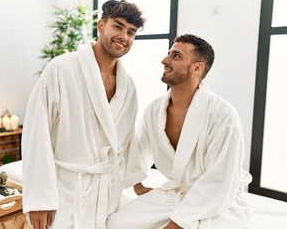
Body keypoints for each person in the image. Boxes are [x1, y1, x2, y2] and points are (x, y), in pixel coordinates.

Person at [22, 0, 147, 229]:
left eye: (131, 32)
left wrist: (137, 182)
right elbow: (36, 133)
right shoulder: (61, 68)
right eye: (117, 26)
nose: (124, 36)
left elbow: (127, 139)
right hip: (67, 191)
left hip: (108, 193)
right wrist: (39, 200)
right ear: (101, 26)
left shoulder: (128, 86)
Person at [107, 34, 253, 229]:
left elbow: (220, 180)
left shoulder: (223, 115)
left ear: (197, 68)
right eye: (168, 54)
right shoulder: (155, 109)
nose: (164, 60)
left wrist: (176, 224)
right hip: (177, 192)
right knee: (117, 224)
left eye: (176, 56)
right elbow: (139, 150)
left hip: (217, 200)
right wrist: (137, 183)